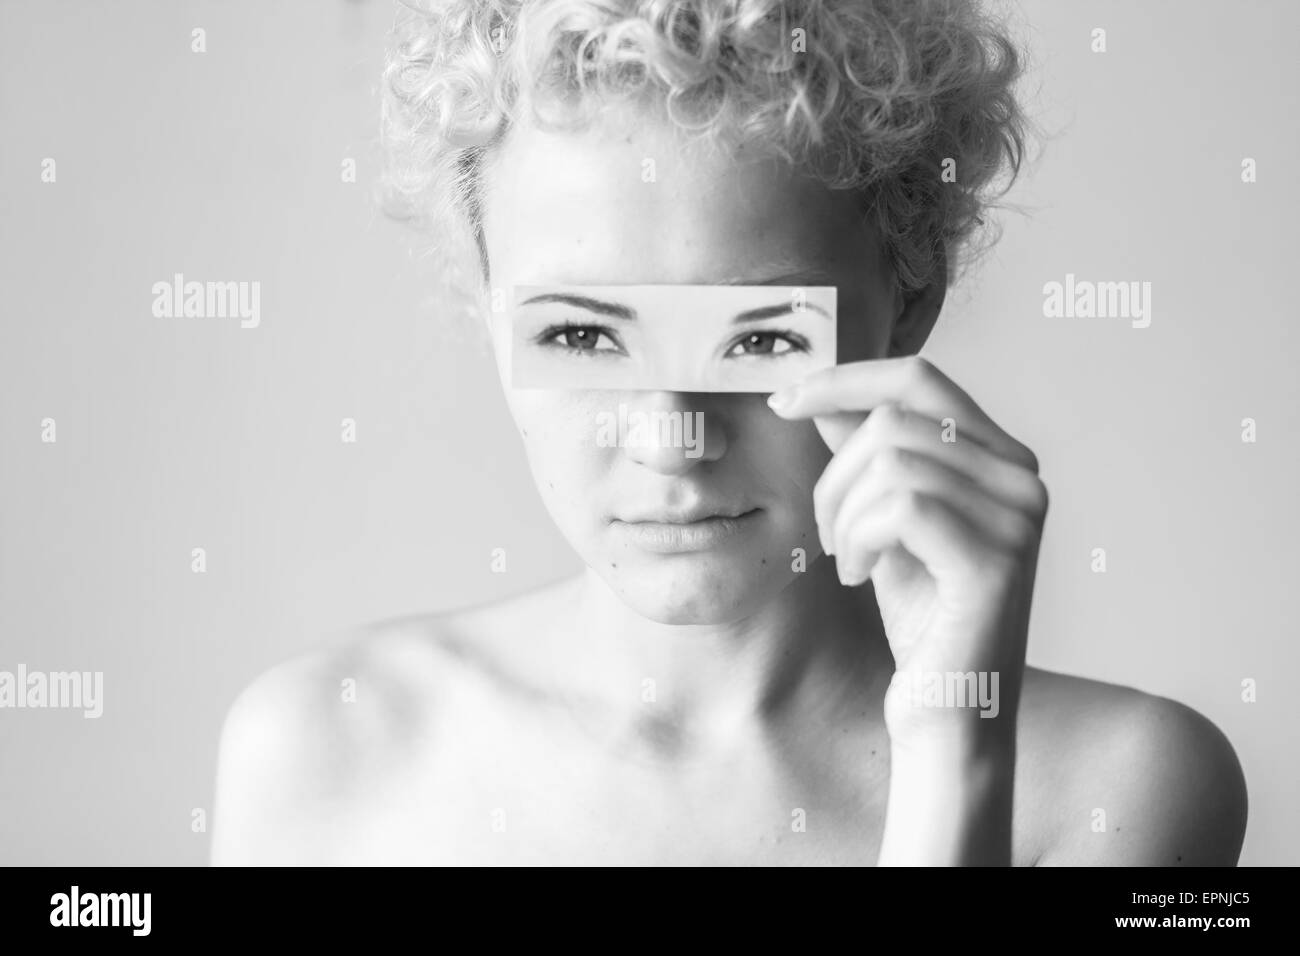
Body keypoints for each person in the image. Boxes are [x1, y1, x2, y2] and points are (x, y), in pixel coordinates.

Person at [211, 0, 1247, 865]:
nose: (671, 437)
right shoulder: (321, 749)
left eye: (756, 340)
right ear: (484, 304)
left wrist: (950, 749)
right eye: (580, 332)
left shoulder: (1121, 786)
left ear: (911, 299)